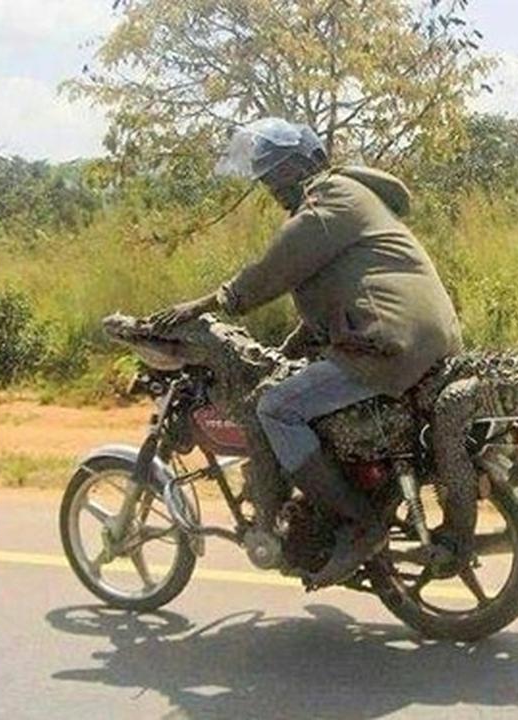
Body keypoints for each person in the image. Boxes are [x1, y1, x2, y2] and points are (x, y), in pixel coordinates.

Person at [147, 117, 463, 588]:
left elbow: (277, 267)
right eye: (265, 175)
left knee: (276, 408)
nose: (272, 183)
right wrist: (286, 350)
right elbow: (331, 297)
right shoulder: (352, 199)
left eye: (278, 171)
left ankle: (360, 522)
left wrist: (204, 304)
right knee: (298, 393)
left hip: (388, 344)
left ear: (311, 161)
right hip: (412, 337)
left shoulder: (330, 196)